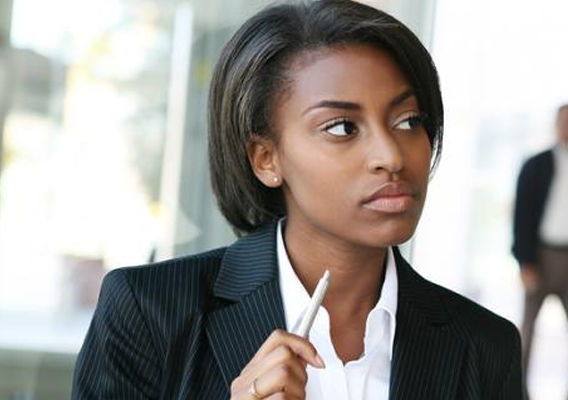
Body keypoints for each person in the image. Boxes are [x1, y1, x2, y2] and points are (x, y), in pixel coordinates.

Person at [71, 1, 523, 399]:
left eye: (408, 121)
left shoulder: (484, 347)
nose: (390, 156)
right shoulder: (149, 311)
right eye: (342, 127)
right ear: (266, 159)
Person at [512, 104, 568, 400]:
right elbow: (522, 214)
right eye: (565, 119)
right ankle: (519, 393)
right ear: (556, 123)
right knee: (527, 331)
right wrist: (525, 261)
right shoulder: (536, 165)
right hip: (542, 257)